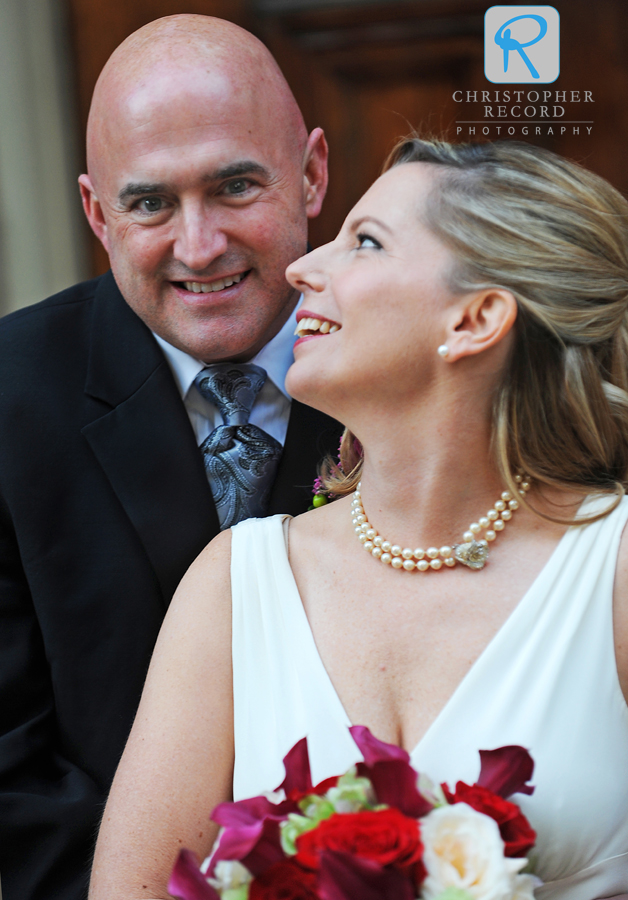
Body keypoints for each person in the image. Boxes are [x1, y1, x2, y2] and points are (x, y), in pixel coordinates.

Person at [88, 136, 628, 900]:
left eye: (365, 242)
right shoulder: (236, 583)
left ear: (475, 319)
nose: (303, 269)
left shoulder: (613, 568)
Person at [0, 14, 343, 900]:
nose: (199, 247)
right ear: (96, 212)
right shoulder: (8, 399)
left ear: (311, 175)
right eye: (150, 202)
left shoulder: (430, 374)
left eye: (235, 187)